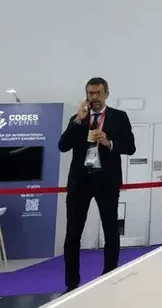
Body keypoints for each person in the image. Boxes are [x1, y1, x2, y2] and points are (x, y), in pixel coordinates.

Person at [58, 77, 136, 292]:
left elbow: (130, 147)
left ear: (106, 94)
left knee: (110, 231)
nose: (94, 97)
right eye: (91, 93)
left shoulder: (119, 117)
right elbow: (62, 146)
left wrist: (108, 142)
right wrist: (77, 120)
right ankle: (71, 284)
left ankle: (109, 278)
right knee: (73, 234)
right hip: (80, 182)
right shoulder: (78, 119)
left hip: (106, 180)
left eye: (98, 93)